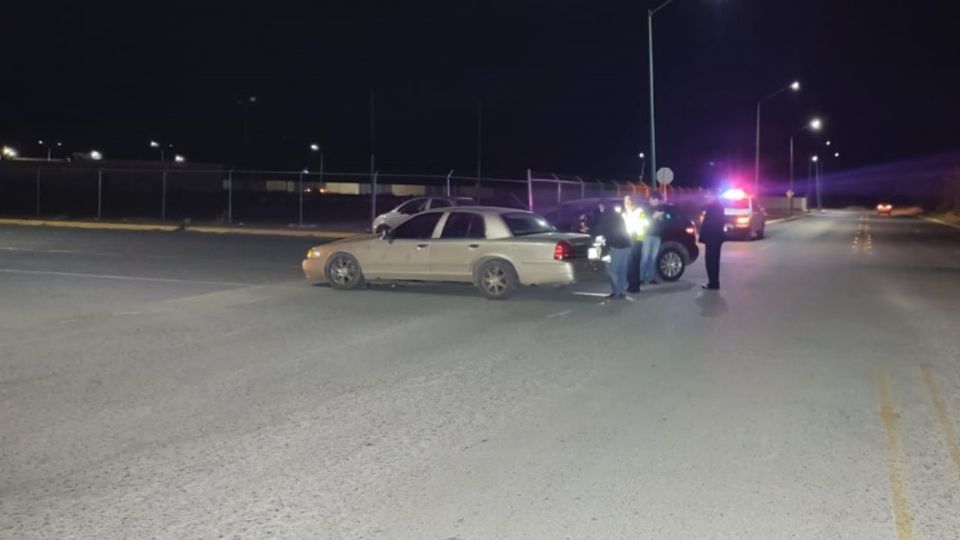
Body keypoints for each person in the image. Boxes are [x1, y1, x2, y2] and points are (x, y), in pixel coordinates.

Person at [595, 200, 632, 298]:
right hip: (626, 243)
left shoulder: (605, 215)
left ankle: (617, 291)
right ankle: (622, 291)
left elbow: (599, 230)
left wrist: (589, 231)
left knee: (613, 270)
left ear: (602, 206)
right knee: (622, 269)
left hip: (616, 244)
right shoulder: (618, 215)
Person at [623, 195, 650, 293]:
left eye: (628, 203)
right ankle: (632, 284)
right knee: (631, 264)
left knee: (634, 264)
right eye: (625, 203)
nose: (626, 205)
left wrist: (638, 235)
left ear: (632, 203)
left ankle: (634, 286)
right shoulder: (627, 213)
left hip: (636, 239)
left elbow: (646, 224)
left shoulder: (639, 212)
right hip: (629, 238)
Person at [699, 189, 726, 290]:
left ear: (713, 196)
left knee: (711, 261)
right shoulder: (715, 206)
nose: (707, 197)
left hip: (713, 238)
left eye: (708, 195)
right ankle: (713, 282)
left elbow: (712, 224)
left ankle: (713, 283)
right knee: (713, 261)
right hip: (714, 238)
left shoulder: (715, 207)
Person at [639, 194, 666, 285]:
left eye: (658, 201)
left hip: (657, 236)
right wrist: (653, 217)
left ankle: (651, 278)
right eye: (655, 200)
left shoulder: (659, 208)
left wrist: (661, 218)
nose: (657, 202)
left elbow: (663, 222)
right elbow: (644, 222)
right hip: (647, 235)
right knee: (645, 257)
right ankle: (641, 278)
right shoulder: (645, 208)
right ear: (650, 199)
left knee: (653, 258)